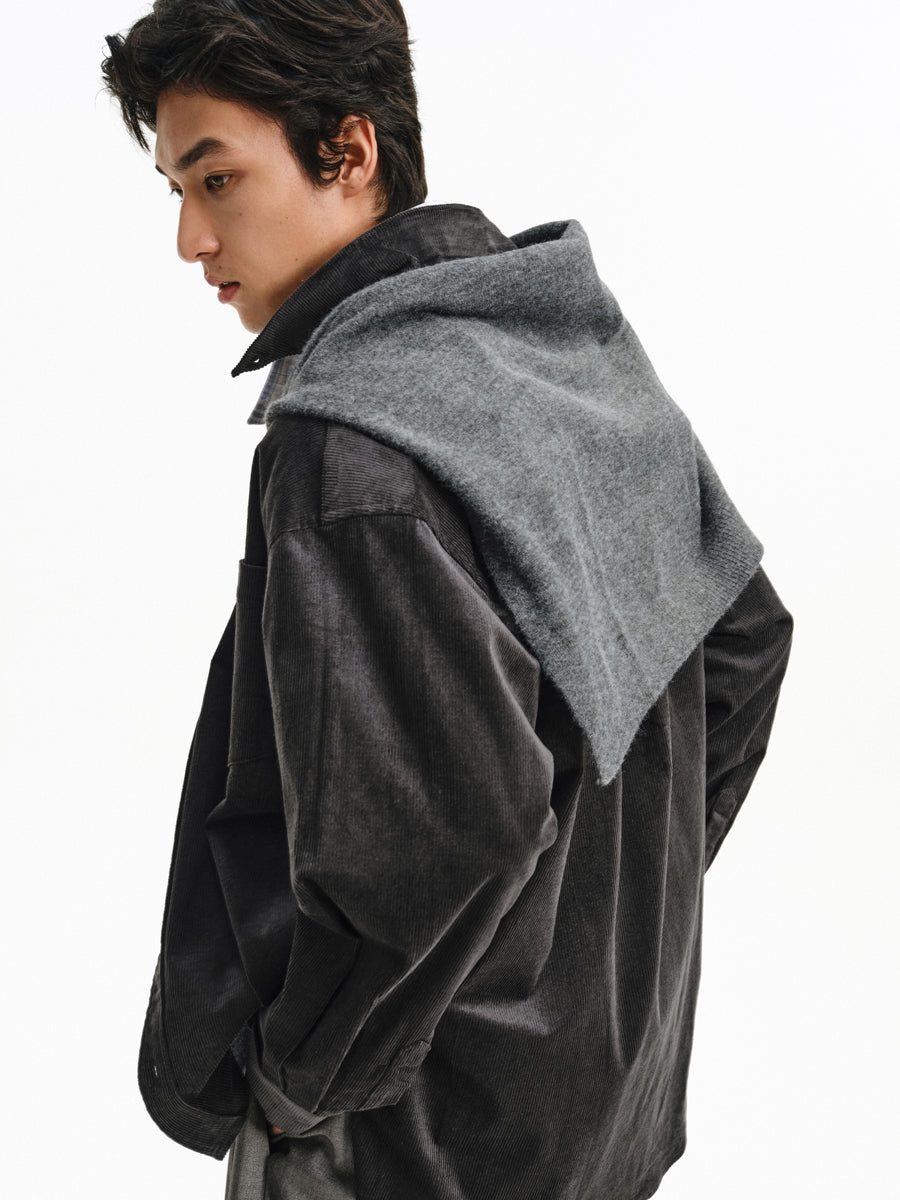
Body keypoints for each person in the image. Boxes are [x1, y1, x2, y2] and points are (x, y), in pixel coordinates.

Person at [101, 3, 794, 1198]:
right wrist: (603, 940)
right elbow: (740, 643)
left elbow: (433, 849)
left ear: (349, 151)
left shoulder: (352, 450)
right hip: (602, 1110)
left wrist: (296, 1087)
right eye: (174, 190)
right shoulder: (555, 342)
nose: (189, 239)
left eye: (216, 180)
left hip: (411, 1147)